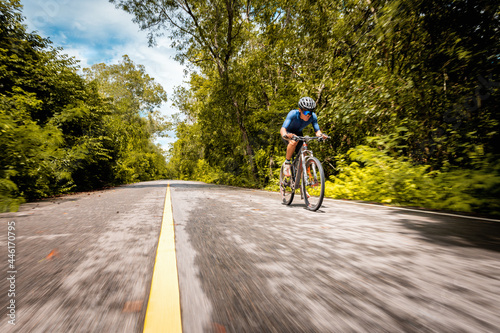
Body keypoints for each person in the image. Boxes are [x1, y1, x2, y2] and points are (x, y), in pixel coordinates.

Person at [280, 97, 328, 177]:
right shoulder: (293, 114)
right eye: (306, 112)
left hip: (298, 134)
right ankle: (287, 164)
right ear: (300, 110)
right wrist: (286, 135)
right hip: (288, 133)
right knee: (293, 142)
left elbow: (317, 131)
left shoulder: (313, 117)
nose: (308, 115)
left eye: (310, 112)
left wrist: (321, 135)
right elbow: (283, 129)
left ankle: (306, 178)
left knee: (304, 151)